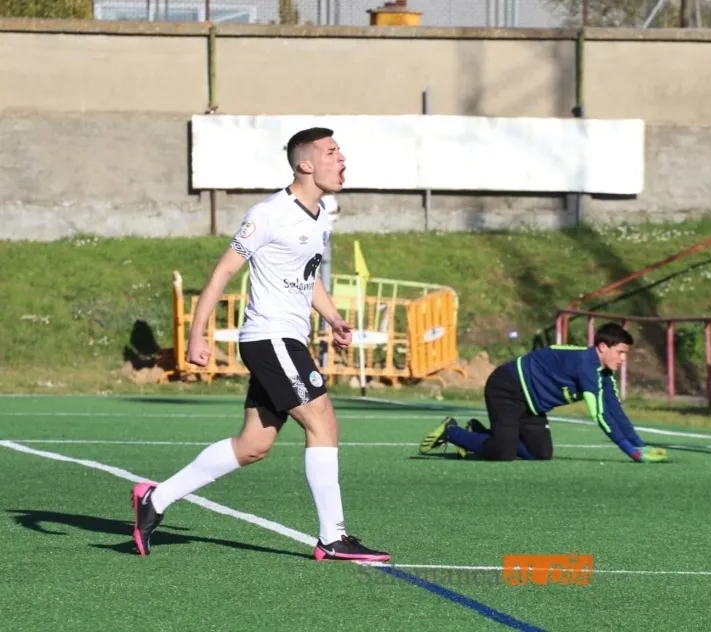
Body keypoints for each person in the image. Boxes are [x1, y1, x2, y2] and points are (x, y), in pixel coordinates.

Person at [131, 127, 391, 562]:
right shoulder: (269, 213)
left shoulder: (320, 215)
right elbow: (222, 272)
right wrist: (196, 335)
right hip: (271, 338)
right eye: (332, 152)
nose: (342, 159)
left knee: (253, 445)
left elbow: (307, 276)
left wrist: (333, 318)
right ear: (305, 164)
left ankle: (154, 500)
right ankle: (333, 538)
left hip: (285, 340)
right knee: (323, 422)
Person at [418, 322, 668, 463]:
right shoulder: (587, 366)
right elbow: (600, 415)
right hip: (507, 388)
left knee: (540, 454)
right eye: (620, 352)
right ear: (603, 347)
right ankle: (451, 432)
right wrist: (632, 452)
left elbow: (615, 411)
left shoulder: (604, 374)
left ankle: (479, 433)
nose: (623, 358)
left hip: (532, 406)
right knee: (503, 453)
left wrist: (641, 445)